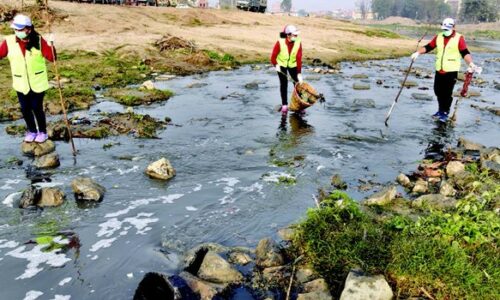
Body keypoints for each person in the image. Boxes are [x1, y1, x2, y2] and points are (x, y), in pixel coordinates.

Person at [411, 18, 481, 123]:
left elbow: (465, 52)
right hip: (439, 69)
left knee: (446, 93)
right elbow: (429, 47)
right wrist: (417, 53)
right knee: (437, 91)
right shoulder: (439, 37)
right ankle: (440, 110)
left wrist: (471, 64)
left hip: (451, 70)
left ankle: (445, 112)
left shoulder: (459, 38)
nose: (446, 31)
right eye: (444, 28)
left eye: (448, 28)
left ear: (453, 27)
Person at [0, 14, 55, 143]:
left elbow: (52, 58)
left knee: (36, 107)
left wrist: (52, 45)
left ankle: (42, 132)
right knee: (25, 108)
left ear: (28, 29)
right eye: (15, 29)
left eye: (20, 29)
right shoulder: (9, 41)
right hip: (20, 82)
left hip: (37, 81)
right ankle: (32, 131)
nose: (17, 32)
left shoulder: (39, 41)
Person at [271, 25, 303, 115]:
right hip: (281, 64)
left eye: (296, 35)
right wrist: (276, 65)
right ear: (288, 35)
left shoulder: (298, 42)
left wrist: (299, 73)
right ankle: (284, 105)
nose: (296, 36)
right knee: (284, 83)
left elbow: (299, 57)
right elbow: (273, 57)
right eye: (294, 35)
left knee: (297, 85)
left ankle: (300, 105)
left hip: (293, 64)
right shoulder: (280, 42)